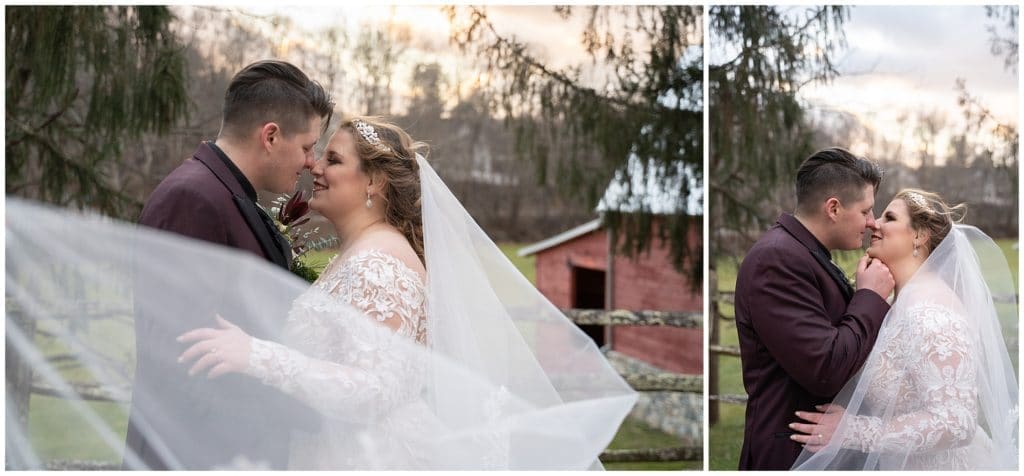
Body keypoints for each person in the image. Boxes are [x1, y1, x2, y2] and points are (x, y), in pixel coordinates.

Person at [4, 117, 637, 470]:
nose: (314, 168)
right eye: (317, 155)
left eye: (331, 159)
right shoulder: (357, 254)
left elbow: (377, 389)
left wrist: (257, 354)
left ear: (374, 187)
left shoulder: (385, 264)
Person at [123, 59, 334, 469]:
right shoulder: (193, 199)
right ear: (270, 136)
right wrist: (309, 403)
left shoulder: (223, 193)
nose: (312, 161)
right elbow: (181, 360)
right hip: (194, 456)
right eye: (308, 147)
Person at [790, 190, 1019, 470]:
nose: (874, 223)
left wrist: (853, 431)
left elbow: (957, 421)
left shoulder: (930, 311)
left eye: (890, 217)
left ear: (919, 235)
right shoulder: (895, 302)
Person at [733, 147, 894, 470]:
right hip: (790, 456)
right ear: (833, 208)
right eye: (865, 211)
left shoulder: (803, 255)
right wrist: (870, 297)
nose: (871, 222)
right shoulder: (776, 260)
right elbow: (825, 369)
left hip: (819, 451)